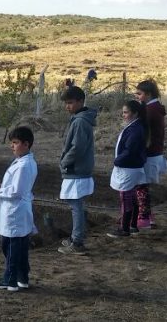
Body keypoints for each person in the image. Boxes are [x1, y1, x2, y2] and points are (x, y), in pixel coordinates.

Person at [0, 126, 38, 292]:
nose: (12, 146)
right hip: (18, 211)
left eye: (15, 142)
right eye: (11, 142)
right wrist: (3, 185)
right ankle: (22, 278)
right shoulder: (24, 161)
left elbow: (16, 191)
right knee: (19, 247)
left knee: (11, 247)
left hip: (15, 212)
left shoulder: (24, 165)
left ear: (26, 144)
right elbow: (18, 185)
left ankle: (9, 279)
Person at [57, 86, 97, 255]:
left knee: (76, 206)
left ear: (80, 101)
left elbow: (77, 147)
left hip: (76, 170)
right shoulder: (79, 119)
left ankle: (77, 241)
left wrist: (65, 162)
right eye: (66, 103)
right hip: (78, 169)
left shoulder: (80, 121)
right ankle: (76, 238)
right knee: (77, 205)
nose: (67, 106)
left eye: (70, 103)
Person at [107, 100, 147, 238]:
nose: (123, 115)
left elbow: (129, 150)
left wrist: (117, 160)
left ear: (135, 113)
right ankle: (133, 225)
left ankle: (124, 228)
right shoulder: (135, 127)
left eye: (126, 112)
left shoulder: (135, 129)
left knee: (126, 197)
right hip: (131, 166)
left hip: (128, 167)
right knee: (132, 196)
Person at [134, 80, 167, 229]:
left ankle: (144, 217)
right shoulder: (155, 108)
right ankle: (146, 215)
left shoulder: (150, 110)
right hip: (154, 152)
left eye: (139, 94)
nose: (137, 96)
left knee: (141, 185)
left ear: (148, 94)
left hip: (149, 153)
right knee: (143, 185)